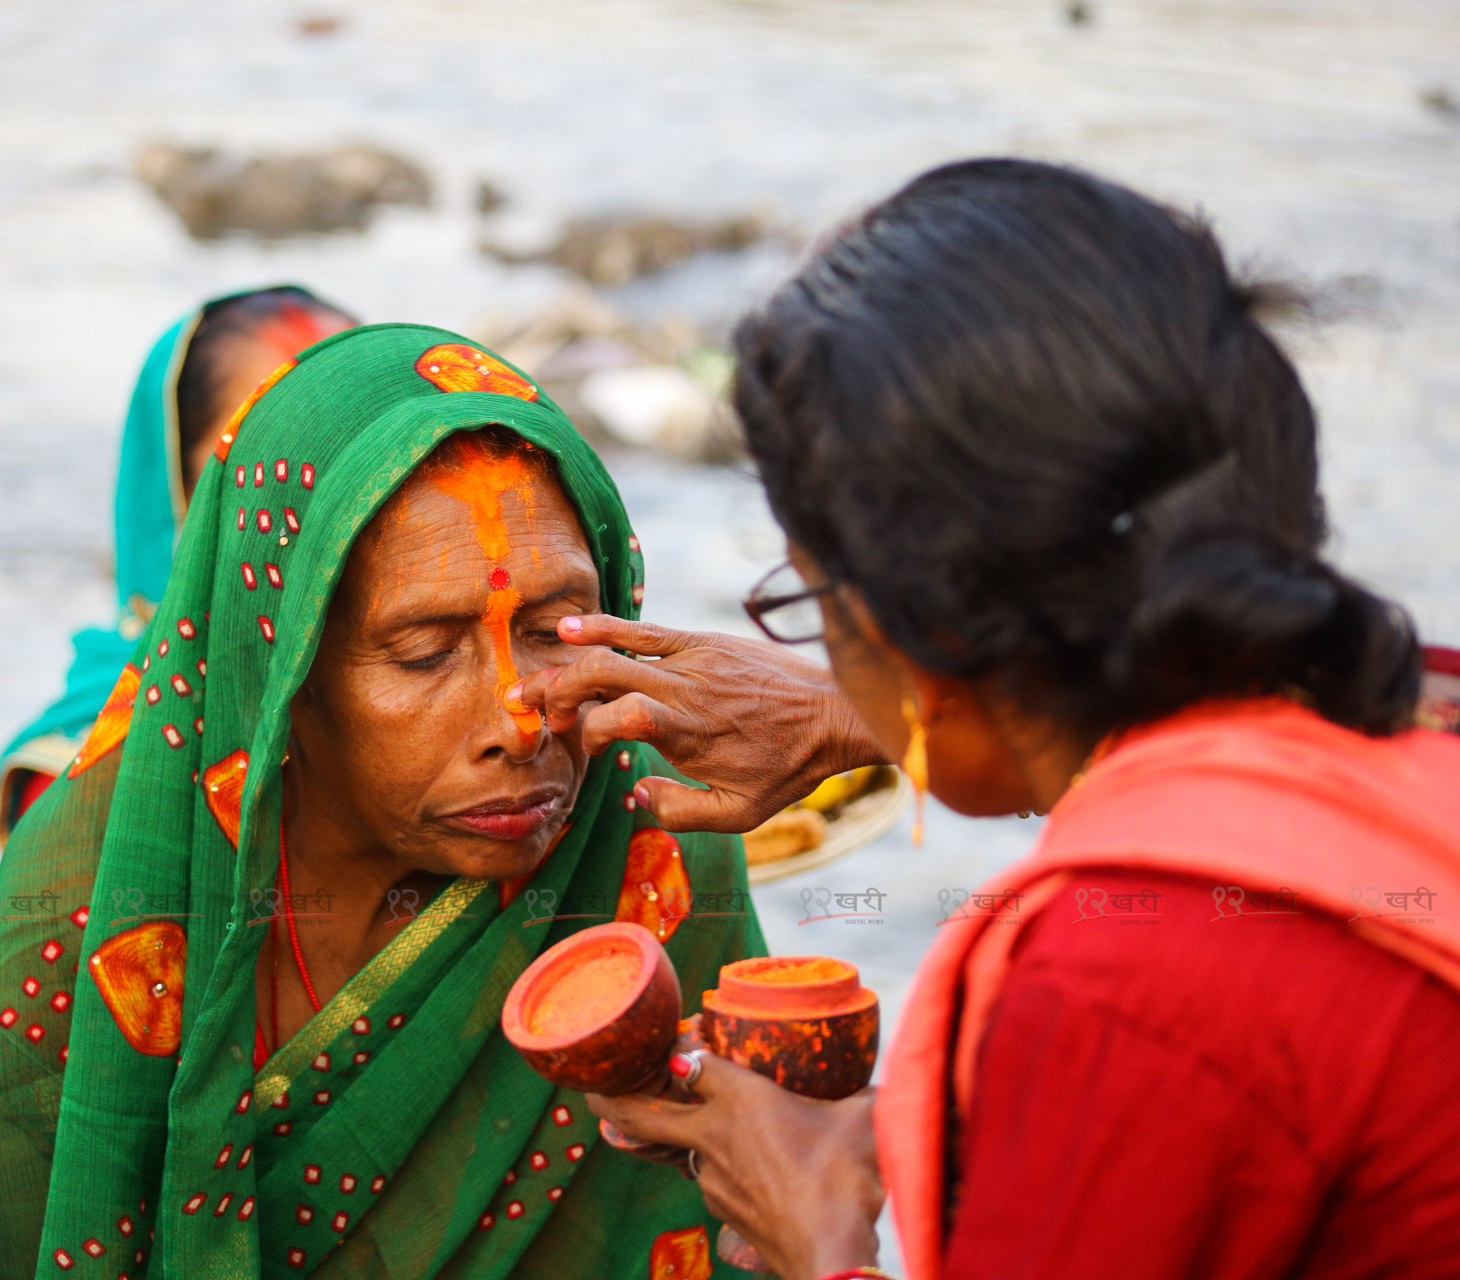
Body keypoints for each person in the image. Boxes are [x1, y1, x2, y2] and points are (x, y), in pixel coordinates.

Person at [521, 160, 1460, 1279]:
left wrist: (818, 1236)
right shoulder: (1416, 699)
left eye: (813, 606)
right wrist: (866, 716)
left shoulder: (1116, 982)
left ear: (916, 629)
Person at [0, 324, 766, 1279]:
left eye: (556, 631)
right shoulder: (104, 885)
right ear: (285, 675)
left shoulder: (646, 841)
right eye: (423, 652)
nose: (519, 721)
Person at [0, 286, 358, 842]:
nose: (331, 490)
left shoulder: (486, 680)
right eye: (277, 455)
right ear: (176, 490)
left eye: (363, 446)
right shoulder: (91, 771)